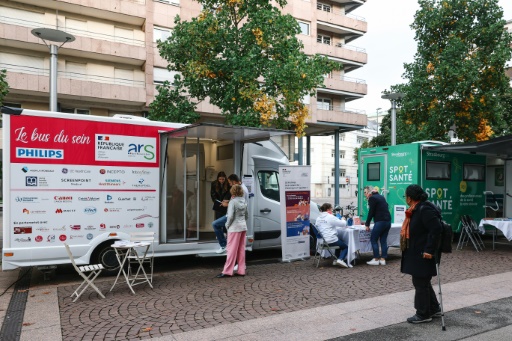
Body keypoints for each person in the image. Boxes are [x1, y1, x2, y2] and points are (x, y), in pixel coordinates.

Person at [401, 184, 442, 324]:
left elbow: (436, 229)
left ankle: (423, 313)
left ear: (410, 198)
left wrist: (429, 250)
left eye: (405, 196)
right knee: (423, 281)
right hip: (417, 251)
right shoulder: (416, 209)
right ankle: (434, 308)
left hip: (423, 252)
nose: (405, 198)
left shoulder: (424, 209)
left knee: (420, 282)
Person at [215, 184, 248, 278]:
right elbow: (247, 215)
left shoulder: (232, 202)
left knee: (231, 249)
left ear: (232, 192)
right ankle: (241, 270)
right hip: (243, 227)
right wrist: (243, 222)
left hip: (234, 228)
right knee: (241, 249)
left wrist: (227, 225)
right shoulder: (244, 200)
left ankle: (227, 271)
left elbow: (230, 216)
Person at [211, 174, 249, 254]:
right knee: (216, 224)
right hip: (233, 216)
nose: (229, 184)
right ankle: (225, 246)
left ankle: (224, 246)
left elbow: (241, 205)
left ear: (234, 181)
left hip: (235, 217)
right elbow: (237, 201)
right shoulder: (239, 188)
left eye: (230, 183)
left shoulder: (242, 190)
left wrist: (227, 204)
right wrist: (228, 202)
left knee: (216, 224)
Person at [364, 185, 392, 266]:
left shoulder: (372, 198)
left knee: (373, 239)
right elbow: (386, 206)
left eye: (365, 192)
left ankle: (376, 258)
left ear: (369, 192)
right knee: (383, 240)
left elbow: (371, 212)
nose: (365, 194)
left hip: (380, 221)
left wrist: (367, 224)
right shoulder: (381, 196)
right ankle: (383, 259)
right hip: (388, 221)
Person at [315, 203, 349, 268]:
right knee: (345, 247)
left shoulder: (318, 218)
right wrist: (344, 219)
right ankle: (340, 259)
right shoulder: (330, 217)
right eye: (331, 209)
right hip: (330, 240)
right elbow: (342, 224)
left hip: (321, 241)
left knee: (339, 241)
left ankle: (336, 259)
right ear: (328, 209)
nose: (332, 210)